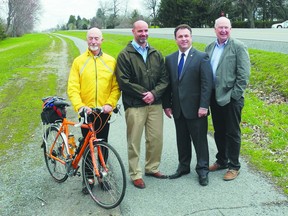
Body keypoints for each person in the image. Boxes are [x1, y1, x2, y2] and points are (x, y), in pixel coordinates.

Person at [116, 20, 169, 189]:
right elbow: (123, 81)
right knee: (134, 141)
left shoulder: (156, 53)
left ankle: (152, 167)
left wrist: (153, 94)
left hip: (155, 103)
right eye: (140, 31)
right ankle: (135, 173)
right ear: (133, 32)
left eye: (146, 30)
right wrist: (142, 94)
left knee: (155, 138)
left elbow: (164, 78)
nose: (143, 34)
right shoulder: (125, 55)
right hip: (134, 105)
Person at [67, 27, 121, 193]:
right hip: (86, 113)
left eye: (96, 38)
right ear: (86, 40)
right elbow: (72, 87)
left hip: (103, 112)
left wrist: (110, 104)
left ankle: (102, 176)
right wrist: (80, 106)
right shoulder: (79, 61)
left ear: (102, 40)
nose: (93, 41)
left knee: (102, 146)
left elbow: (116, 86)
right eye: (90, 38)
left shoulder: (111, 61)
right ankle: (88, 178)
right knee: (87, 146)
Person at [163, 24, 213, 186]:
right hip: (178, 109)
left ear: (191, 37)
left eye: (186, 36)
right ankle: (183, 167)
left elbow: (207, 84)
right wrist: (167, 104)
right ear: (175, 39)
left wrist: (204, 106)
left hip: (197, 109)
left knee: (200, 141)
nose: (184, 39)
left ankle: (203, 169)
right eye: (180, 36)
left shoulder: (201, 57)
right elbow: (168, 84)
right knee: (182, 140)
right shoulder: (170, 59)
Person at [205, 17, 250, 181]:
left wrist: (234, 96)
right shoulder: (209, 47)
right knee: (219, 132)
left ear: (230, 29)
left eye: (226, 27)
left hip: (231, 99)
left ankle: (234, 166)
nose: (223, 30)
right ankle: (222, 160)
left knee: (232, 133)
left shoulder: (238, 47)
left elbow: (244, 75)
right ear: (214, 29)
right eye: (220, 28)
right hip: (215, 99)